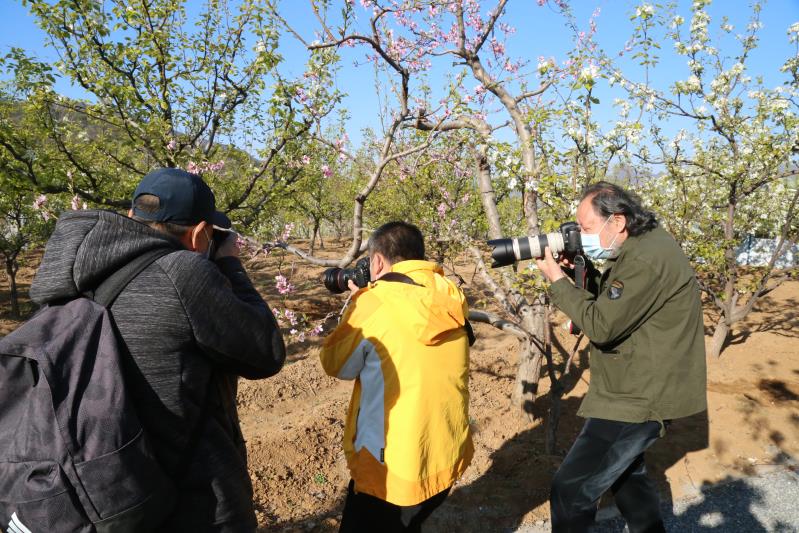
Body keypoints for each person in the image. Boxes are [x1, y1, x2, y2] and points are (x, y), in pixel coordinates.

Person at [29, 167, 286, 532]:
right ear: (200, 234)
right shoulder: (182, 273)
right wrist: (231, 263)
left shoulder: (66, 273)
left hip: (95, 486)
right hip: (191, 503)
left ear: (133, 216)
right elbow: (266, 353)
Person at [535, 181, 707, 533]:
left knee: (571, 490)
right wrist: (582, 276)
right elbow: (624, 306)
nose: (581, 236)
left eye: (585, 229)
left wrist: (556, 279)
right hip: (635, 384)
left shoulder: (644, 258)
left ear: (617, 221)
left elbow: (601, 325)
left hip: (639, 396)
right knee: (627, 475)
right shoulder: (642, 247)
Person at [319, 221, 474, 533]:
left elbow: (336, 365)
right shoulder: (448, 293)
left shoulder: (374, 301)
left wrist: (356, 303)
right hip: (443, 455)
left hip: (392, 471)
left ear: (377, 261)